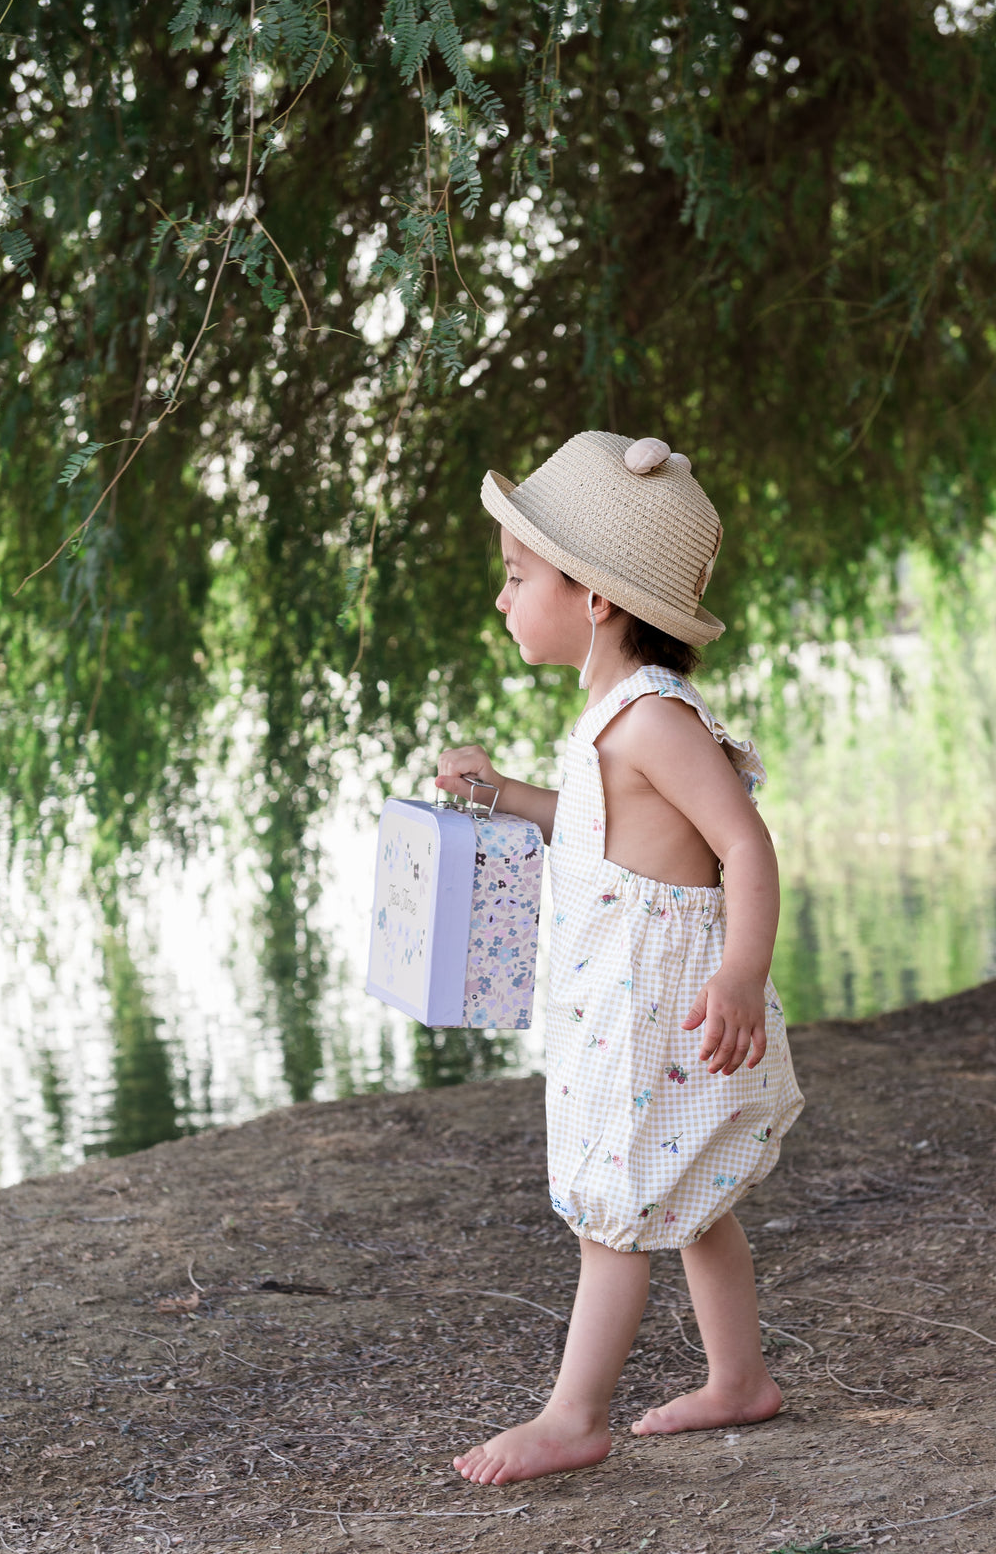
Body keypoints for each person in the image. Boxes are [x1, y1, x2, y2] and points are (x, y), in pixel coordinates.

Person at [435, 431, 804, 1487]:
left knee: (615, 1213)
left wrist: (738, 974)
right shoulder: (612, 718)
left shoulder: (652, 720)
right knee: (693, 1199)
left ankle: (572, 1416)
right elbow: (603, 833)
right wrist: (500, 793)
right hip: (617, 1002)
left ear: (595, 596)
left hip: (665, 1009)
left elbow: (744, 846)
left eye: (517, 578)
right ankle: (739, 1380)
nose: (502, 600)